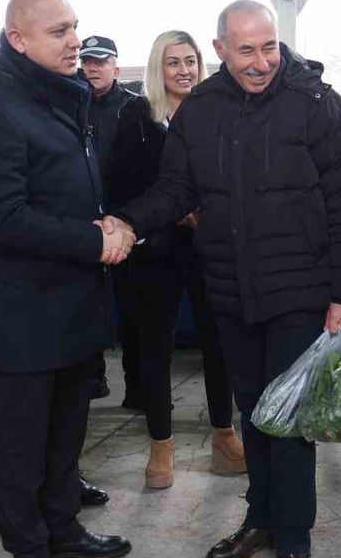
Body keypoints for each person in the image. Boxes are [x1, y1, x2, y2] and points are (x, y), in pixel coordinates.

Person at [108, 0, 341, 558]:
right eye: (245, 50)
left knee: (290, 415)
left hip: (300, 288)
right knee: (254, 408)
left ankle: (293, 536)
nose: (260, 62)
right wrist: (129, 222)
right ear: (220, 49)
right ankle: (261, 518)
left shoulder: (318, 105)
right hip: (230, 288)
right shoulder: (199, 110)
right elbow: (177, 188)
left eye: (269, 47)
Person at [0, 0, 132, 558]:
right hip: (23, 316)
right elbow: (3, 218)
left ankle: (65, 532)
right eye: (59, 31)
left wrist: (101, 226)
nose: (75, 41)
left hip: (70, 307)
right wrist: (92, 240)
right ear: (18, 39)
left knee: (64, 440)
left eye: (74, 27)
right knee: (22, 446)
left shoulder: (58, 98)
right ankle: (27, 542)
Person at [106, 30, 244, 490]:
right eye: (173, 62)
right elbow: (123, 185)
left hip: (210, 249)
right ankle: (160, 445)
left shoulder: (216, 112)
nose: (184, 70)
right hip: (156, 253)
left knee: (219, 342)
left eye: (190, 60)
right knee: (156, 349)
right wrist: (170, 213)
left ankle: (224, 436)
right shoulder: (137, 116)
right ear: (157, 69)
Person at [79, 34, 145, 408]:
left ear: (116, 68)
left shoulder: (134, 108)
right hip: (85, 223)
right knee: (87, 304)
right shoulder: (73, 106)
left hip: (125, 221)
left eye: (100, 62)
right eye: (87, 61)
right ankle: (94, 379)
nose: (92, 68)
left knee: (133, 309)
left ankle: (137, 389)